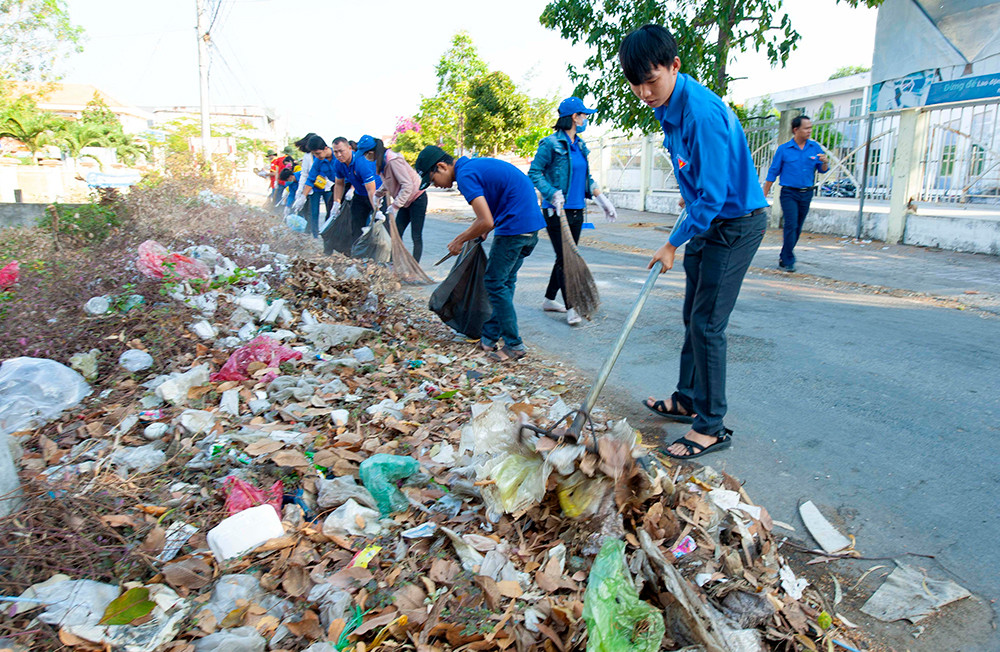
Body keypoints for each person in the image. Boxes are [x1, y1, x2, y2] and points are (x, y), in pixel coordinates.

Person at [619, 24, 768, 460]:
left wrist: (672, 242)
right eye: (636, 84)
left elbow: (715, 194)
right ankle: (687, 399)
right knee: (692, 316)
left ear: (674, 66)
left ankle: (711, 425)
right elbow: (697, 184)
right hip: (706, 220)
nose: (644, 92)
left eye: (651, 80)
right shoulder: (667, 106)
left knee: (708, 325)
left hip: (735, 225)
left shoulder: (701, 112)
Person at [415, 145, 545, 362]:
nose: (435, 185)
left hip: (514, 228)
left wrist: (460, 239)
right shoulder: (474, 166)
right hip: (530, 227)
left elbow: (486, 220)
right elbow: (496, 204)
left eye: (433, 180)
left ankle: (514, 344)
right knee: (504, 283)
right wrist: (484, 231)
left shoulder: (465, 175)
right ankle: (489, 337)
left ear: (441, 166)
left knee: (494, 283)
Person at [528, 96, 617, 326]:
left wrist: (602, 199)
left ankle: (549, 299)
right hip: (556, 210)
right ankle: (571, 307)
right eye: (583, 115)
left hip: (577, 210)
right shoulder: (550, 144)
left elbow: (586, 178)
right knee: (566, 259)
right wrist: (551, 193)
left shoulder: (581, 146)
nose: (586, 118)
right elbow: (535, 172)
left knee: (564, 256)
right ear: (574, 117)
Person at [763, 115, 829, 272]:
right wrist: (763, 193)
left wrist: (825, 162)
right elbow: (773, 172)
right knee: (790, 224)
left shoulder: (814, 148)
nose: (809, 131)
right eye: (806, 128)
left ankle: (784, 255)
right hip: (789, 193)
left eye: (810, 128)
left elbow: (822, 170)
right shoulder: (784, 149)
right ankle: (788, 259)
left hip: (806, 193)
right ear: (795, 130)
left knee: (798, 227)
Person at [356, 135, 428, 262]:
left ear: (371, 153)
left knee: (416, 236)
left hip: (417, 198)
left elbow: (407, 185)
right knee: (396, 233)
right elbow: (391, 181)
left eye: (366, 155)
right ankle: (393, 263)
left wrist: (395, 206)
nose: (366, 158)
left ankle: (414, 269)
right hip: (405, 201)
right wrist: (378, 193)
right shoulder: (383, 162)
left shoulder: (393, 161)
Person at [291, 133, 331, 238]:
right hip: (314, 188)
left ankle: (327, 232)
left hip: (328, 187)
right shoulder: (308, 157)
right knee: (314, 212)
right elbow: (305, 175)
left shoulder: (328, 154)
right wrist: (300, 192)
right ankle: (315, 234)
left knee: (331, 210)